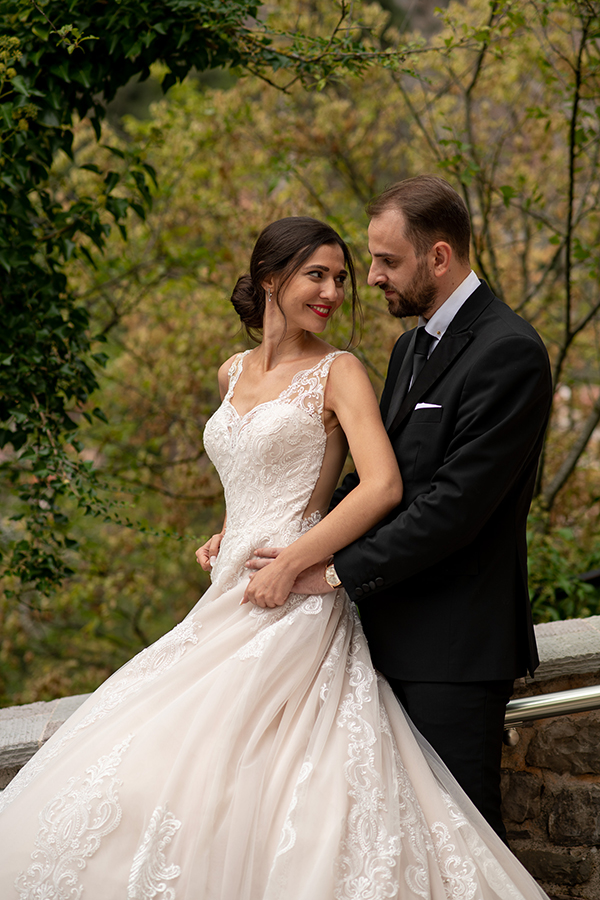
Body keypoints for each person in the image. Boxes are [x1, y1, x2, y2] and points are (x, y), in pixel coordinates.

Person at [0, 216, 549, 899]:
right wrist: (228, 529)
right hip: (231, 588)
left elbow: (381, 486)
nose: (336, 290)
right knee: (172, 774)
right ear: (270, 279)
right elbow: (254, 470)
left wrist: (298, 561)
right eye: (317, 274)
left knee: (296, 784)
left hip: (301, 596)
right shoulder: (231, 371)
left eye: (342, 277)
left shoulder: (342, 368)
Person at [249, 177, 553, 843]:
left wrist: (330, 571)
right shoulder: (409, 348)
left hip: (455, 655)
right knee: (393, 842)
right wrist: (277, 526)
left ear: (438, 258)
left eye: (387, 261)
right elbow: (377, 477)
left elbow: (453, 508)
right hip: (381, 641)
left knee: (462, 841)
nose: (374, 277)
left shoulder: (510, 351)